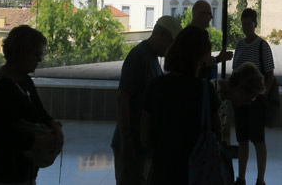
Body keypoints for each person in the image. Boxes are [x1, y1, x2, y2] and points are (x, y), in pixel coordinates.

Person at [0, 25, 63, 185]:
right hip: (4, 175)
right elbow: (2, 136)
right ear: (22, 53)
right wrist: (42, 141)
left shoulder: (23, 79)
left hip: (22, 172)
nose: (39, 60)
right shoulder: (4, 87)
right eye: (36, 54)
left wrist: (54, 125)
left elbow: (40, 112)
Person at [142, 26, 222, 184]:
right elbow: (216, 137)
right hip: (195, 174)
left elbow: (145, 138)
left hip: (162, 173)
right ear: (198, 59)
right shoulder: (205, 90)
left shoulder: (155, 86)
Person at [112, 15, 182, 185]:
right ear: (162, 34)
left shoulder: (151, 58)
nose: (171, 48)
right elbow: (123, 98)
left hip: (142, 145)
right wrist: (126, 140)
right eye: (171, 42)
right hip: (132, 144)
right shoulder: (139, 57)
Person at [231, 8, 275, 185]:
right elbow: (235, 72)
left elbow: (270, 74)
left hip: (255, 102)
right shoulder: (240, 45)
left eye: (249, 24)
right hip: (240, 101)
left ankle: (260, 180)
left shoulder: (262, 46)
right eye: (244, 24)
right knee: (242, 140)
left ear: (255, 24)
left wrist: (262, 95)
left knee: (258, 141)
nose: (246, 27)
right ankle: (241, 178)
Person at [213, 62, 265, 145]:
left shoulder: (222, 97)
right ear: (240, 87)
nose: (248, 103)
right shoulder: (211, 93)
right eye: (249, 99)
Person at [190, 0, 232, 79]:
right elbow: (199, 64)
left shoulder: (188, 34)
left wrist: (218, 59)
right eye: (209, 14)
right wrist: (217, 59)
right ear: (200, 15)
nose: (212, 17)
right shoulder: (198, 35)